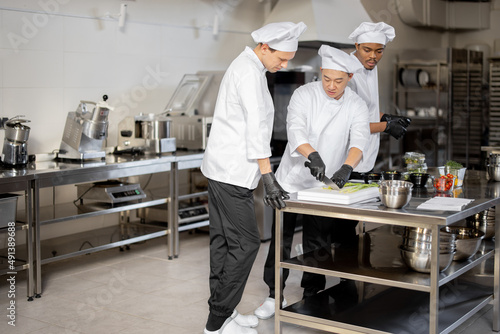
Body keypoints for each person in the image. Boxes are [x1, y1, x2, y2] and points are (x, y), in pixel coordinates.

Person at [200, 21, 307, 334]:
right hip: (232, 174)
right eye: (281, 58)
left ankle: (224, 312)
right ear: (264, 47)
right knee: (246, 243)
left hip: (223, 170)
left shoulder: (249, 66)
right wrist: (268, 176)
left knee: (223, 242)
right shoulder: (248, 72)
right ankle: (216, 323)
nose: (284, 64)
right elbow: (256, 128)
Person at [254, 44, 370, 318]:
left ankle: (312, 294)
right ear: (321, 73)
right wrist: (313, 154)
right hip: (292, 181)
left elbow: (360, 140)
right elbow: (295, 129)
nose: (331, 85)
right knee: (281, 241)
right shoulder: (304, 94)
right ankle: (273, 295)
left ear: (350, 79)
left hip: (323, 185)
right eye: (327, 79)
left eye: (338, 80)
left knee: (317, 243)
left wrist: (346, 167)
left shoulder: (356, 104)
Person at [347, 21, 411, 179]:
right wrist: (386, 126)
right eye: (367, 50)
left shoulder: (370, 68)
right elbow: (347, 125)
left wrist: (386, 117)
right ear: (357, 46)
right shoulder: (347, 73)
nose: (373, 56)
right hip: (347, 162)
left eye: (379, 51)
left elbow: (366, 109)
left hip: (367, 158)